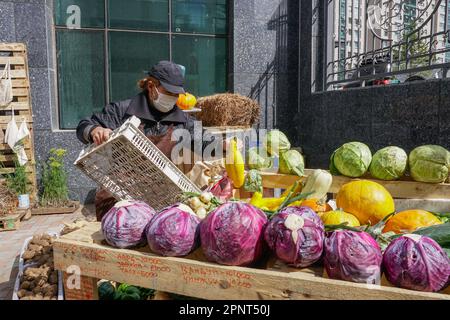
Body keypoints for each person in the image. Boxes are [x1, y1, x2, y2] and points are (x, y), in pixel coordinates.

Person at [77, 60, 202, 221]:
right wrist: (95, 130)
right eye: (169, 92)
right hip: (119, 195)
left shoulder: (182, 120)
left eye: (176, 94)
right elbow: (83, 126)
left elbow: (202, 139)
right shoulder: (122, 111)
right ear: (151, 86)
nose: (173, 98)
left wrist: (223, 145)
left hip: (160, 196)